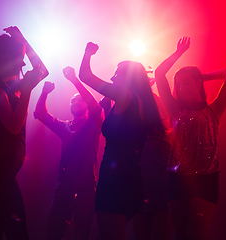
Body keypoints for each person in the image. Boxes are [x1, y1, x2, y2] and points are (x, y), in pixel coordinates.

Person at [79, 42, 165, 240]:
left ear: (129, 78)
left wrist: (88, 52)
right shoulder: (137, 102)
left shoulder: (126, 96)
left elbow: (86, 76)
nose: (112, 77)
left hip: (117, 178)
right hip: (126, 176)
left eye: (116, 73)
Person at [154, 37, 226, 240]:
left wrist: (203, 76)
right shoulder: (174, 109)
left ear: (198, 83)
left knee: (197, 235)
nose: (182, 88)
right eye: (179, 85)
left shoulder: (215, 110)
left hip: (206, 179)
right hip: (177, 178)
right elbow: (159, 73)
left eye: (187, 83)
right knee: (180, 234)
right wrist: (178, 53)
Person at [0, 26, 48, 240]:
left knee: (16, 233)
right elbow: (13, 127)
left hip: (4, 173)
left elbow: (42, 70)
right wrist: (27, 91)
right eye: (20, 58)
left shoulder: (10, 85)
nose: (24, 63)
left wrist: (23, 40)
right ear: (6, 59)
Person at [34, 66, 103, 240]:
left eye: (79, 100)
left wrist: (74, 80)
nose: (74, 103)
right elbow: (40, 113)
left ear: (86, 105)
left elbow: (97, 109)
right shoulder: (65, 127)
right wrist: (44, 93)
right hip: (63, 187)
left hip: (86, 187)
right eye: (72, 101)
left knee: (82, 234)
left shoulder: (91, 125)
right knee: (53, 231)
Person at [132, 79, 173, 240]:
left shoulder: (163, 126)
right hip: (139, 174)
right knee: (141, 226)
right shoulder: (131, 105)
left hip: (160, 174)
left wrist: (148, 91)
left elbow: (165, 121)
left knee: (162, 226)